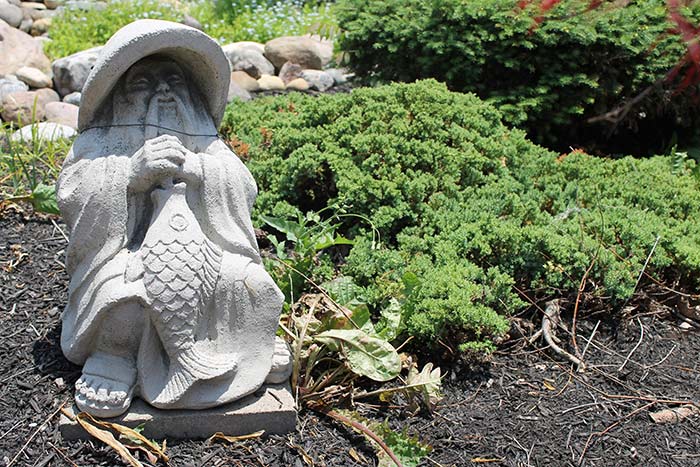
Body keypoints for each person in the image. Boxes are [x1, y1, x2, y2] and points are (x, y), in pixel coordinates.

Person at [57, 20, 285, 417]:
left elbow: (241, 185)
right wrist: (128, 176)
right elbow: (74, 192)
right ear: (117, 95)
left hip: (206, 255)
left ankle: (246, 343)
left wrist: (200, 169)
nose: (162, 91)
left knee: (250, 284)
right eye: (143, 83)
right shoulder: (97, 142)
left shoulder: (206, 142)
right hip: (127, 255)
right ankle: (116, 359)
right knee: (126, 297)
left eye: (174, 81)